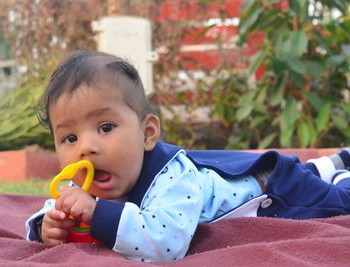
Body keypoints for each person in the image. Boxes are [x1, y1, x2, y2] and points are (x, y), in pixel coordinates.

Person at [26, 50, 350, 262]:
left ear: (147, 133)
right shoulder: (87, 183)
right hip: (246, 176)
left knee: (336, 200)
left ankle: (339, 175)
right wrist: (46, 226)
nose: (86, 147)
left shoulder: (172, 179)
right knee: (311, 172)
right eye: (69, 137)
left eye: (106, 127)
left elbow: (164, 244)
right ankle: (330, 164)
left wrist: (97, 214)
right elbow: (57, 208)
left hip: (273, 189)